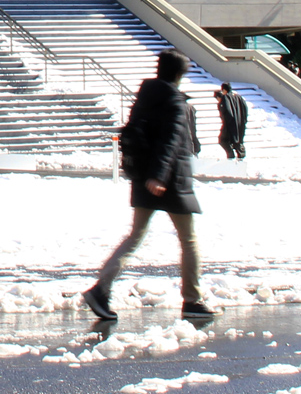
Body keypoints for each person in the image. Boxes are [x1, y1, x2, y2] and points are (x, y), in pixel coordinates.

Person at [83, 51, 211, 322]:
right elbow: (171, 141)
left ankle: (101, 289)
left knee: (135, 236)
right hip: (171, 183)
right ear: (179, 75)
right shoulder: (175, 101)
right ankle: (192, 300)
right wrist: (160, 177)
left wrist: (149, 176)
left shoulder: (145, 97)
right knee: (189, 241)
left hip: (143, 177)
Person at [215, 83, 249, 160]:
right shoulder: (239, 97)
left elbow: (228, 111)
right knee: (237, 141)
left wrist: (225, 120)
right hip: (240, 124)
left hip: (230, 124)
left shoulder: (226, 97)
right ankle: (241, 155)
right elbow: (245, 110)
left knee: (223, 140)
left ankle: (231, 156)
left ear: (224, 90)